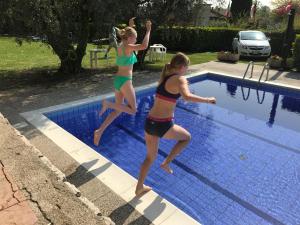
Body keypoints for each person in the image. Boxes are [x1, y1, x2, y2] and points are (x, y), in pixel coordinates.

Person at [135, 53, 216, 196]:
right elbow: (186, 97)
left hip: (150, 122)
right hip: (163, 125)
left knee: (150, 157)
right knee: (186, 138)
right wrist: (207, 99)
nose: (187, 70)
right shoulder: (180, 79)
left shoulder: (164, 77)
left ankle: (139, 188)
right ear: (183, 67)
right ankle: (166, 162)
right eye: (187, 67)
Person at [94, 19, 152, 146]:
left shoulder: (121, 44)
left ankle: (99, 131)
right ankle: (108, 104)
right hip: (125, 81)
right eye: (135, 38)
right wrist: (148, 30)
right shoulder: (128, 47)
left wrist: (130, 26)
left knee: (118, 110)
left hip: (118, 81)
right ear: (130, 38)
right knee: (133, 110)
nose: (135, 40)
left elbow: (128, 36)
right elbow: (144, 46)